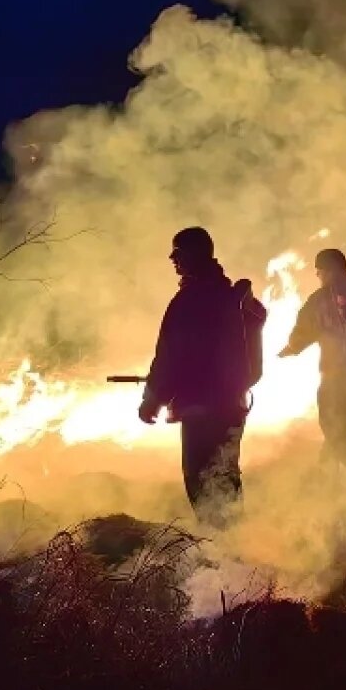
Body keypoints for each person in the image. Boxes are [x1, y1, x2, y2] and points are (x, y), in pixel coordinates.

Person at [138, 227, 266, 529]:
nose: (173, 258)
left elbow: (170, 356)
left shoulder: (189, 301)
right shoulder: (230, 296)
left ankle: (217, 549)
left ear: (194, 254)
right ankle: (238, 551)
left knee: (200, 478)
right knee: (226, 475)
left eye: (178, 252)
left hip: (200, 408)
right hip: (234, 405)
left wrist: (152, 399)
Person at [278, 248, 346, 476]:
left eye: (319, 273)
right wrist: (292, 347)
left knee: (333, 427)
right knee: (337, 427)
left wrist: (292, 347)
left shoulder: (326, 298)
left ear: (327, 271)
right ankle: (328, 474)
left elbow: (304, 329)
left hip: (342, 371)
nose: (319, 277)